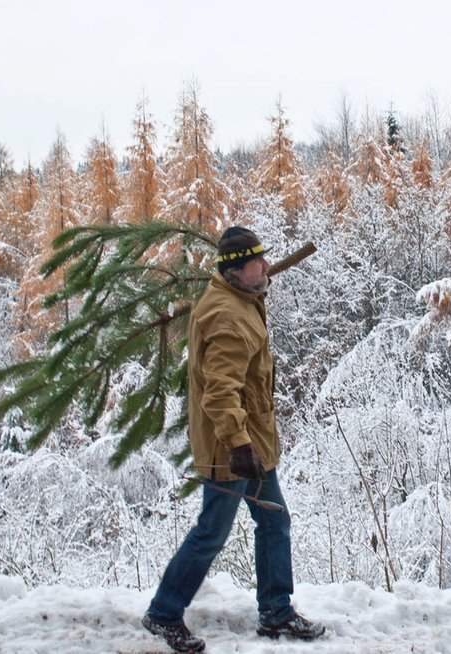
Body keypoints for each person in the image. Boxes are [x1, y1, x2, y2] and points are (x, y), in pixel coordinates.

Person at [142, 226, 325, 652]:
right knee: (211, 531)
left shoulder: (237, 298)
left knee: (274, 519)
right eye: (257, 263)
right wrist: (240, 446)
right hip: (233, 447)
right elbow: (220, 390)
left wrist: (256, 287)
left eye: (264, 260)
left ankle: (276, 611)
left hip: (251, 440)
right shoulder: (227, 316)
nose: (265, 267)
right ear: (236, 271)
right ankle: (164, 613)